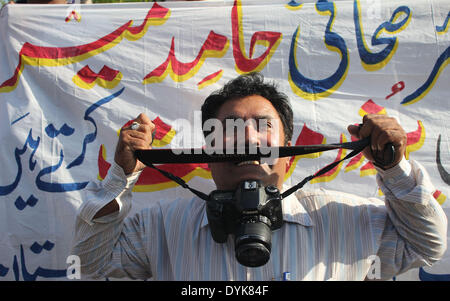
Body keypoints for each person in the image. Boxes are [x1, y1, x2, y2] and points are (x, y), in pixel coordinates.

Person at [71, 72, 447, 280]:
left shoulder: (348, 220)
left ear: (289, 150)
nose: (249, 138)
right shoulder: (161, 228)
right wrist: (120, 177)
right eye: (231, 128)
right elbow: (93, 268)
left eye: (263, 127)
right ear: (209, 153)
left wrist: (392, 167)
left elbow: (427, 245)